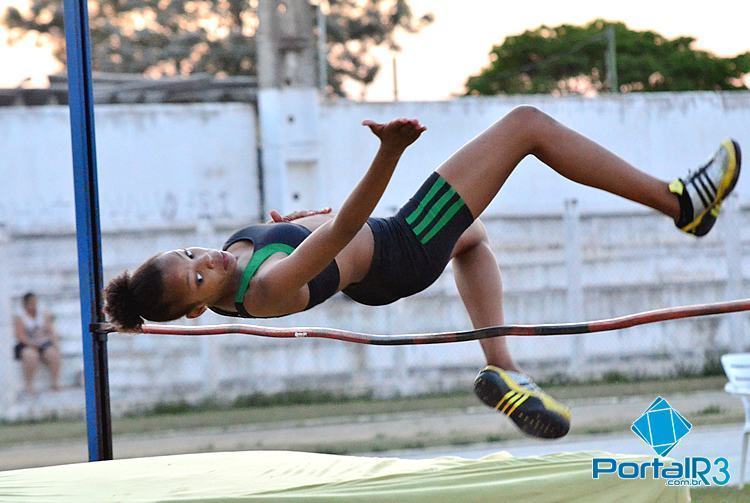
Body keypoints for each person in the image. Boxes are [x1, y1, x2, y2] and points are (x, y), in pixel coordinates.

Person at [104, 107, 741, 439]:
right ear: (197, 310)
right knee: (526, 128)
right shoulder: (265, 290)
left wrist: (293, 220)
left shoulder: (234, 260)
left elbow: (307, 233)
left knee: (472, 239)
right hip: (400, 246)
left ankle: (508, 374)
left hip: (389, 259)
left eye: (190, 253)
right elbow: (341, 233)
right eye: (197, 279)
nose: (206, 261)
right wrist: (387, 155)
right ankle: (681, 202)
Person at [13, 292, 62, 394]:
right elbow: (20, 335)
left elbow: (50, 330)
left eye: (35, 302)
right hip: (26, 343)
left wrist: (55, 342)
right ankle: (29, 384)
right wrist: (32, 344)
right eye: (31, 302)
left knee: (53, 354)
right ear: (25, 304)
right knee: (31, 356)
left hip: (42, 342)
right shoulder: (20, 317)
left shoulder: (43, 314)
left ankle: (55, 382)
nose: (34, 304)